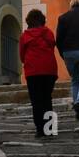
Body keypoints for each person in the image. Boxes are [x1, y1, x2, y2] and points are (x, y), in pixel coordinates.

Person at [19, 9, 58, 138]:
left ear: (28, 21)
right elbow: (52, 46)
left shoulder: (25, 36)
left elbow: (22, 55)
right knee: (47, 98)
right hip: (49, 70)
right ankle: (50, 129)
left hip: (33, 71)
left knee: (36, 101)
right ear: (42, 20)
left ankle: (40, 130)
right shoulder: (48, 33)